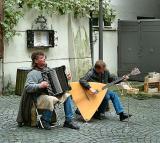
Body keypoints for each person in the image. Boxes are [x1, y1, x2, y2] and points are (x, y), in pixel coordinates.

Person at [16, 51, 79, 130]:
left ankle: (69, 121)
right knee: (51, 99)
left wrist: (66, 78)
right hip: (37, 97)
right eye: (41, 58)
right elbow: (28, 87)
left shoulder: (48, 70)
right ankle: (44, 120)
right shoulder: (32, 73)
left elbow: (56, 83)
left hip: (50, 94)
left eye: (44, 57)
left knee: (67, 96)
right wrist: (40, 85)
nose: (44, 59)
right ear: (35, 61)